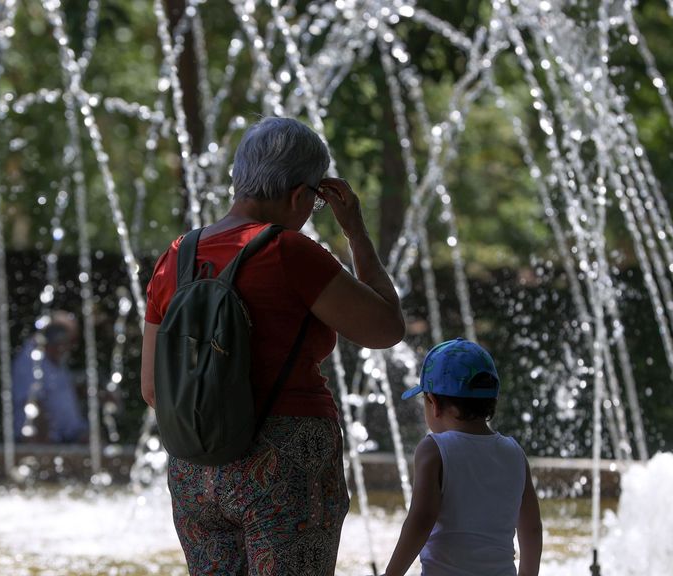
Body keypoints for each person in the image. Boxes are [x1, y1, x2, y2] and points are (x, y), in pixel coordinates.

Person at [141, 116, 405, 575]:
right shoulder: (288, 251)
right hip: (286, 463)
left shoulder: (177, 255)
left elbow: (151, 387)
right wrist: (356, 233)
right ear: (302, 196)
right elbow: (386, 328)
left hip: (194, 469)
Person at [383, 338, 542, 576]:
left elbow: (422, 519)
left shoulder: (434, 449)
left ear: (433, 403)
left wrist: (391, 574)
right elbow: (531, 529)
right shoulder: (514, 452)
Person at [12, 311, 89, 444]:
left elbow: (56, 393)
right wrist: (46, 452)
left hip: (68, 439)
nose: (70, 347)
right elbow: (33, 405)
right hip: (43, 442)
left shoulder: (56, 360)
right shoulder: (31, 360)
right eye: (69, 340)